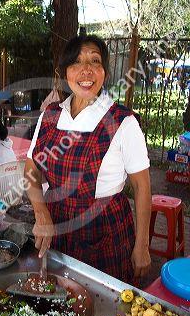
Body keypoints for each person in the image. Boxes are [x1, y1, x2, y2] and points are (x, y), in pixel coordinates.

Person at [25, 34, 151, 284]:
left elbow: (142, 186)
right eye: (77, 63)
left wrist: (142, 245)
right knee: (59, 307)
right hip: (57, 227)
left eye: (95, 61)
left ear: (104, 72)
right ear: (64, 72)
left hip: (104, 232)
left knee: (106, 311)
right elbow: (31, 170)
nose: (86, 70)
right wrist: (40, 210)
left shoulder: (122, 121)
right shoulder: (50, 116)